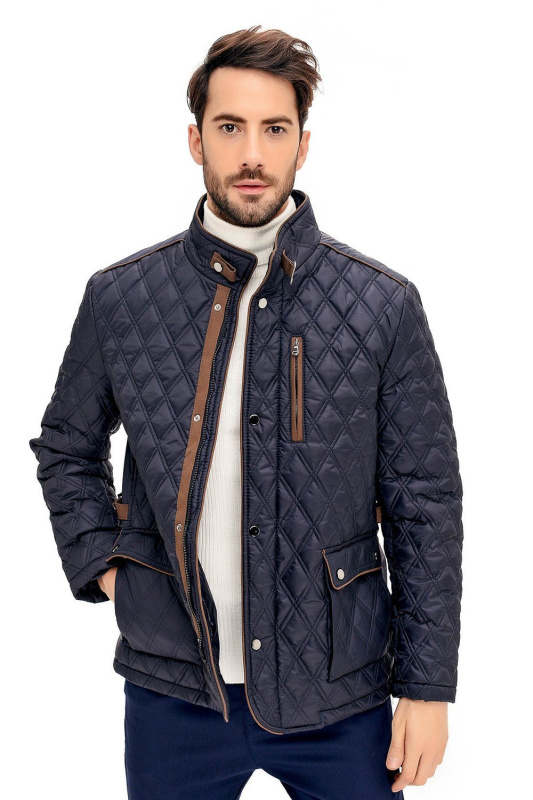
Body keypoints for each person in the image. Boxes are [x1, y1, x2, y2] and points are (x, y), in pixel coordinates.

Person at [29, 24, 463, 800]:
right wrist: (107, 570)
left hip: (340, 692)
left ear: (303, 144)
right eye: (230, 127)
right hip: (174, 689)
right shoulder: (121, 298)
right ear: (195, 140)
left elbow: (423, 504)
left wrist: (426, 689)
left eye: (274, 129)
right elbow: (66, 444)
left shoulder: (381, 305)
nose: (252, 154)